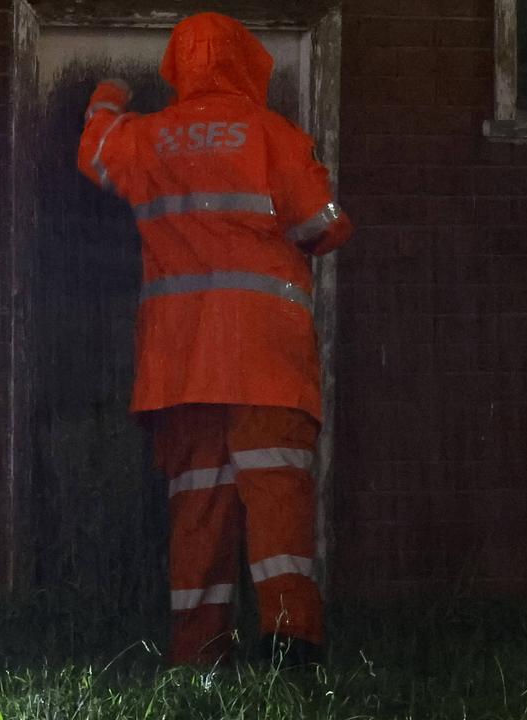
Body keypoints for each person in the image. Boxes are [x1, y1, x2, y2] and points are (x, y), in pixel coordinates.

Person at [77, 12, 352, 667]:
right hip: (265, 362)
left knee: (197, 508)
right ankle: (291, 647)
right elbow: (326, 228)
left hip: (180, 366)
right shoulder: (275, 135)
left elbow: (93, 151)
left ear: (179, 68)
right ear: (245, 63)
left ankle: (198, 652)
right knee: (278, 504)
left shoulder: (147, 139)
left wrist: (109, 93)